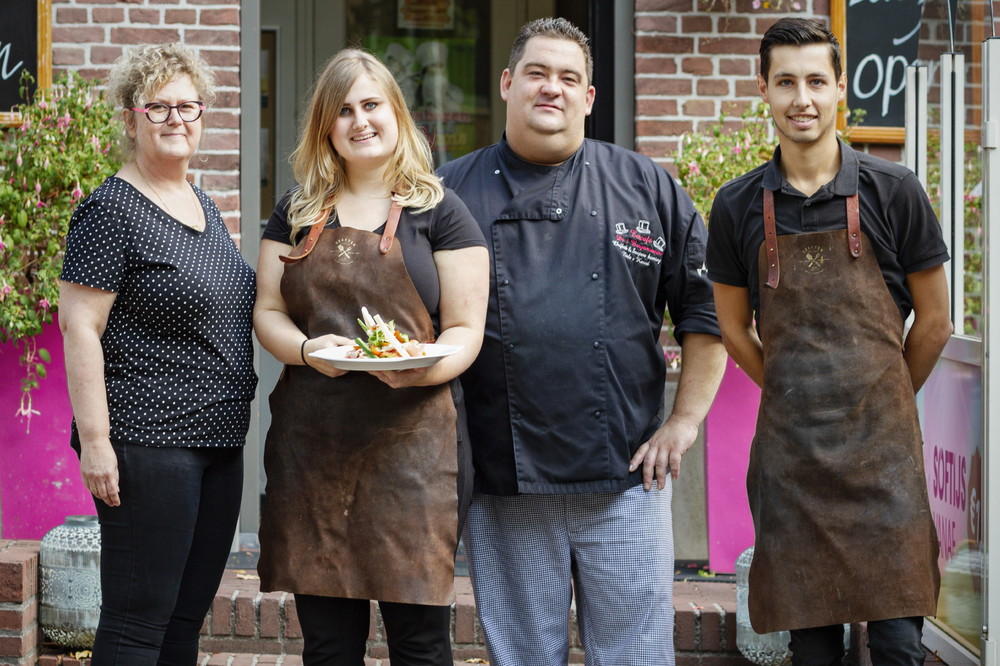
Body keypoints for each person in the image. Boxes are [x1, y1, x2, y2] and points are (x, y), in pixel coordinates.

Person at [436, 17, 726, 666]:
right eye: (537, 73)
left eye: (569, 78)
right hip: (504, 479)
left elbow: (706, 315)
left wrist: (683, 424)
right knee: (523, 659)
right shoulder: (450, 193)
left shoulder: (647, 186)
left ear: (589, 98)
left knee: (635, 657)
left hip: (626, 480)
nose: (552, 89)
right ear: (509, 84)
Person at [707, 17, 953, 665]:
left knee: (900, 646)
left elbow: (934, 322)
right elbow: (731, 327)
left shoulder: (894, 191)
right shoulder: (736, 207)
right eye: (785, 82)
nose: (802, 99)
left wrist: (887, 393)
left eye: (817, 80)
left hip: (885, 463)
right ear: (762, 88)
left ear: (841, 88)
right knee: (811, 650)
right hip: (794, 467)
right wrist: (790, 388)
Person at [253, 48, 488, 665]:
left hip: (414, 453)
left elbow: (466, 330)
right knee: (328, 646)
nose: (360, 121)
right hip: (314, 448)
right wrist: (306, 350)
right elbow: (268, 313)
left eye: (372, 105)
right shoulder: (297, 210)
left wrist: (421, 361)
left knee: (420, 645)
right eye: (344, 110)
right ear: (326, 126)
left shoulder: (441, 211)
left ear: (396, 114)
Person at [58, 43, 257, 665]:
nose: (177, 119)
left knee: (183, 621)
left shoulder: (203, 204)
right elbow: (79, 328)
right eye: (159, 107)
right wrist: (95, 441)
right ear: (130, 117)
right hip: (148, 442)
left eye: (189, 106)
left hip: (218, 444)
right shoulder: (110, 210)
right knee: (136, 623)